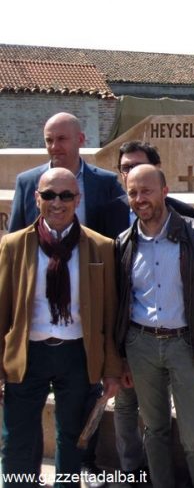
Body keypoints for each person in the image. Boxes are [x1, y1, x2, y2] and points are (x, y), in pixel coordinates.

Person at [0, 168, 121, 484]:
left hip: (77, 354)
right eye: (50, 195)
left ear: (77, 199)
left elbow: (110, 313)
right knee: (17, 439)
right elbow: (1, 310)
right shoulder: (13, 246)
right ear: (36, 197)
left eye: (66, 195)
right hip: (29, 353)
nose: (58, 202)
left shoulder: (100, 247)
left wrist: (110, 369)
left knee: (72, 438)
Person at [114, 165, 194, 488]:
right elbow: (120, 303)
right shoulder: (124, 242)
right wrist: (122, 355)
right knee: (154, 430)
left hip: (186, 346)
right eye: (133, 192)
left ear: (164, 191)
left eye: (146, 190)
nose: (139, 199)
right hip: (141, 344)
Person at [96, 141, 194, 482]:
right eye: (125, 169)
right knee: (125, 406)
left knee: (165, 417)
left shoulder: (184, 215)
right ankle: (131, 472)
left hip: (174, 336)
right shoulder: (107, 213)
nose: (132, 175)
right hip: (130, 331)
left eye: (139, 166)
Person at [9, 112, 124, 233]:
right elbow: (15, 239)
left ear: (80, 139)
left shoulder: (105, 183)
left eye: (61, 139)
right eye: (49, 140)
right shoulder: (27, 183)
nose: (54, 147)